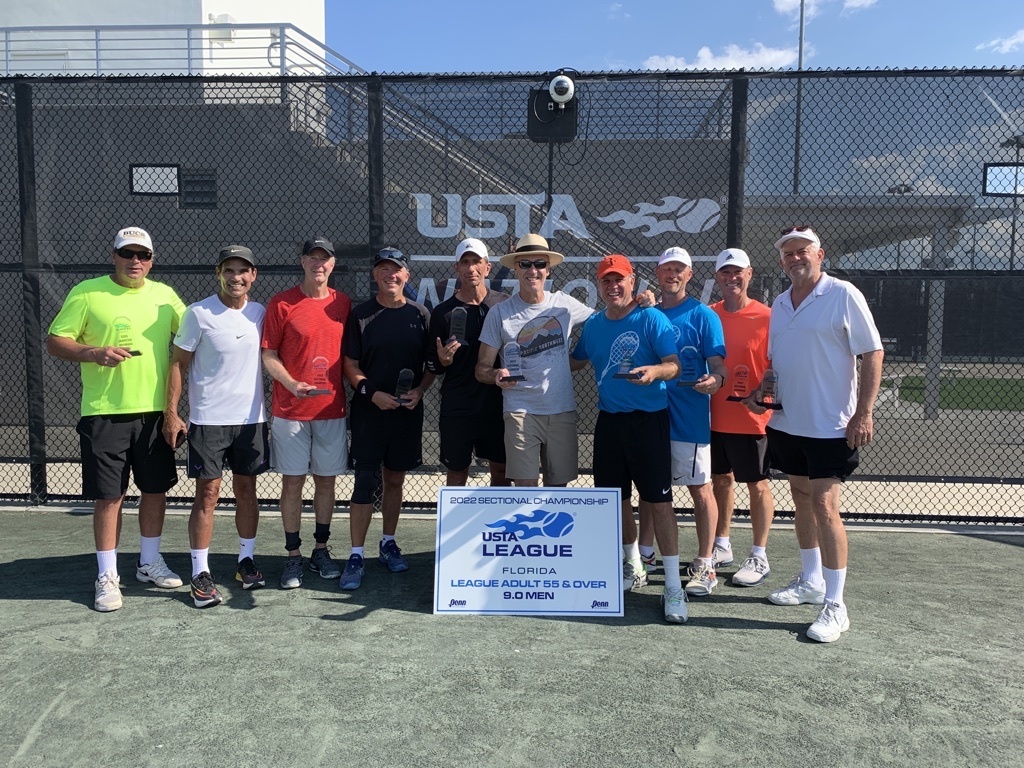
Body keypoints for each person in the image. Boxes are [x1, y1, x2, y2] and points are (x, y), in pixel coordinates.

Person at [753, 225, 882, 643]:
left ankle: (836, 605)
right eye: (788, 253)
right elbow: (777, 362)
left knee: (825, 505)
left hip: (831, 426)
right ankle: (811, 581)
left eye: (802, 251)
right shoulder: (779, 302)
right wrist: (762, 392)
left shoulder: (843, 294)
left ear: (819, 255)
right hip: (787, 423)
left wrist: (864, 412)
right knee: (801, 498)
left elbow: (872, 351)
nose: (795, 258)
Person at [46, 226, 186, 612]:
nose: (135, 261)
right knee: (110, 496)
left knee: (155, 490)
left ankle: (148, 562)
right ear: (114, 256)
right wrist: (93, 353)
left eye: (143, 255)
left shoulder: (165, 297)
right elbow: (56, 341)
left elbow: (194, 335)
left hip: (155, 414)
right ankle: (107, 575)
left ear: (152, 261)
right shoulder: (87, 292)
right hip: (104, 412)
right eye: (128, 253)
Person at [570, 254, 687, 622]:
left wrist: (655, 371)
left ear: (632, 281)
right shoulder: (593, 325)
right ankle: (633, 565)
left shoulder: (651, 318)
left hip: (649, 423)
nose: (613, 286)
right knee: (615, 501)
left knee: (659, 503)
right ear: (599, 285)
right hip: (609, 424)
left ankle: (673, 586)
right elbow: (575, 360)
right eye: (606, 280)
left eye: (619, 279)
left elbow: (674, 365)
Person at [163, 245, 269, 608]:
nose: (236, 277)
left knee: (247, 491)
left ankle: (246, 562)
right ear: (218, 273)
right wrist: (172, 413)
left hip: (251, 421)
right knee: (207, 495)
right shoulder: (198, 313)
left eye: (243, 270)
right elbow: (178, 364)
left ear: (253, 275)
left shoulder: (260, 314)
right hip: (208, 421)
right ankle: (200, 572)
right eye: (229, 270)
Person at [261, 237, 351, 590]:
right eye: (312, 258)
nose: (318, 264)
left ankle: (321, 550)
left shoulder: (342, 303)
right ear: (302, 262)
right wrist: (292, 383)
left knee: (326, 482)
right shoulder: (281, 303)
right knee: (293, 482)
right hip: (291, 410)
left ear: (332, 264)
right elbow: (269, 355)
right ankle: (293, 555)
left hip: (331, 410)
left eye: (324, 259)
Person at [341, 246, 433, 590]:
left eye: (396, 269)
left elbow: (430, 365)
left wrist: (420, 390)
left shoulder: (420, 314)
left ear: (406, 275)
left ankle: (388, 543)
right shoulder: (360, 315)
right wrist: (371, 393)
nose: (390, 274)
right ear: (374, 275)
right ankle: (355, 554)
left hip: (406, 413)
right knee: (364, 481)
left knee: (395, 480)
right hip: (369, 413)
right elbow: (350, 365)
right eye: (383, 269)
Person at [475, 234, 593, 488]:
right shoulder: (499, 312)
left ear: (548, 269)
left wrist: (640, 304)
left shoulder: (565, 305)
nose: (533, 270)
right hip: (520, 411)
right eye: (525, 264)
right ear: (515, 269)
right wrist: (496, 375)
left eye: (539, 263)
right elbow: (481, 369)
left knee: (558, 490)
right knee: (525, 488)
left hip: (561, 409)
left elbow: (606, 321)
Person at [649, 246, 729, 597]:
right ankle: (645, 556)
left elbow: (719, 367)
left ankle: (705, 563)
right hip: (651, 417)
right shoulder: (648, 313)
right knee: (651, 488)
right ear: (658, 273)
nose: (673, 274)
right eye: (667, 269)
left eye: (679, 269)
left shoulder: (703, 315)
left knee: (700, 489)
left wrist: (716, 381)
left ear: (690, 274)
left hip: (690, 419)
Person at [708, 248, 776, 587]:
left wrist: (764, 398)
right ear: (717, 277)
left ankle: (759, 555)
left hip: (751, 418)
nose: (731, 278)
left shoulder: (768, 317)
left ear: (749, 274)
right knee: (721, 480)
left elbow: (778, 366)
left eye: (738, 272)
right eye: (725, 272)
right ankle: (722, 545)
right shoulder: (709, 314)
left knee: (757, 485)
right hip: (712, 416)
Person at [426, 238, 509, 487]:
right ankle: (455, 516)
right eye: (465, 262)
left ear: (487, 267)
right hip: (458, 406)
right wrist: (442, 360)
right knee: (457, 473)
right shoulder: (442, 312)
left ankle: (497, 516)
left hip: (498, 404)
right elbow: (433, 365)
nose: (471, 268)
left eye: (476, 262)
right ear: (457, 268)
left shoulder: (505, 305)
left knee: (501, 472)